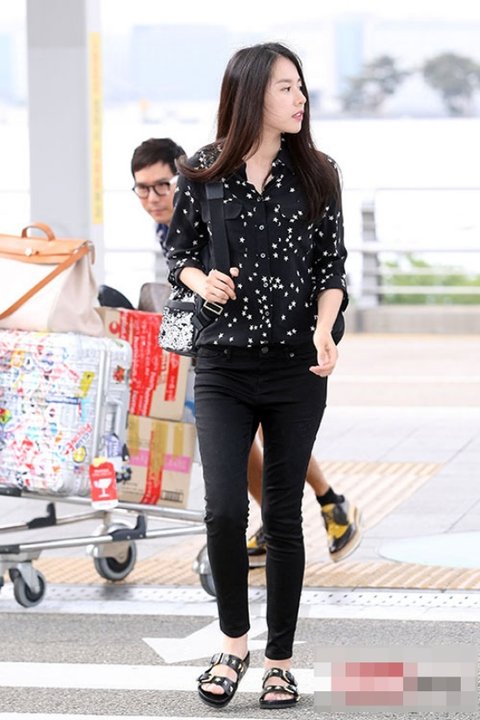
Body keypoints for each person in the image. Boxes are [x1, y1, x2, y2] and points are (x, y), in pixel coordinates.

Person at [165, 42, 351, 709]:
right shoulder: (203, 170)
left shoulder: (319, 173)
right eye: (285, 88)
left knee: (282, 515)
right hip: (222, 364)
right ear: (251, 95)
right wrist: (201, 281)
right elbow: (178, 254)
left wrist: (325, 328)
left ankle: (279, 660)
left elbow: (332, 268)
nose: (299, 99)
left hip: (297, 367)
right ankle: (233, 644)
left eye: (300, 87)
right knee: (222, 509)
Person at [131, 138, 362, 567]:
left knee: (264, 435)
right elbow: (182, 265)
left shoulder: (209, 192)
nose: (153, 197)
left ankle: (319, 504)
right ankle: (309, 509)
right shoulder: (171, 220)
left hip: (249, 340)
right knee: (246, 441)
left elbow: (325, 262)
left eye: (162, 185)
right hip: (210, 344)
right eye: (142, 188)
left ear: (180, 179)